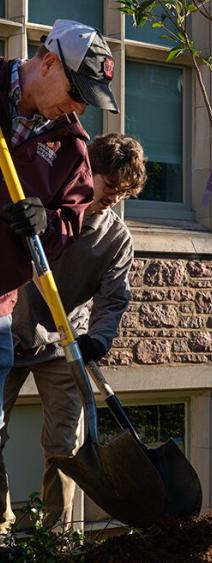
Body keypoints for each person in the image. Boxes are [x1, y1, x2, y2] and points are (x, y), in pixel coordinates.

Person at [0, 134, 146, 532]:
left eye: (125, 192)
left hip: (64, 345)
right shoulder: (44, 208)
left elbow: (113, 299)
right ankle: (1, 525)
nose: (114, 197)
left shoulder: (116, 239)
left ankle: (57, 540)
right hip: (9, 332)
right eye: (110, 185)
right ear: (87, 172)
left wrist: (99, 338)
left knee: (65, 447)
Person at [0, 18, 119, 431]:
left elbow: (69, 223)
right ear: (48, 62)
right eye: (76, 93)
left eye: (89, 101)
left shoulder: (71, 150)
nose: (79, 108)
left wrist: (44, 221)